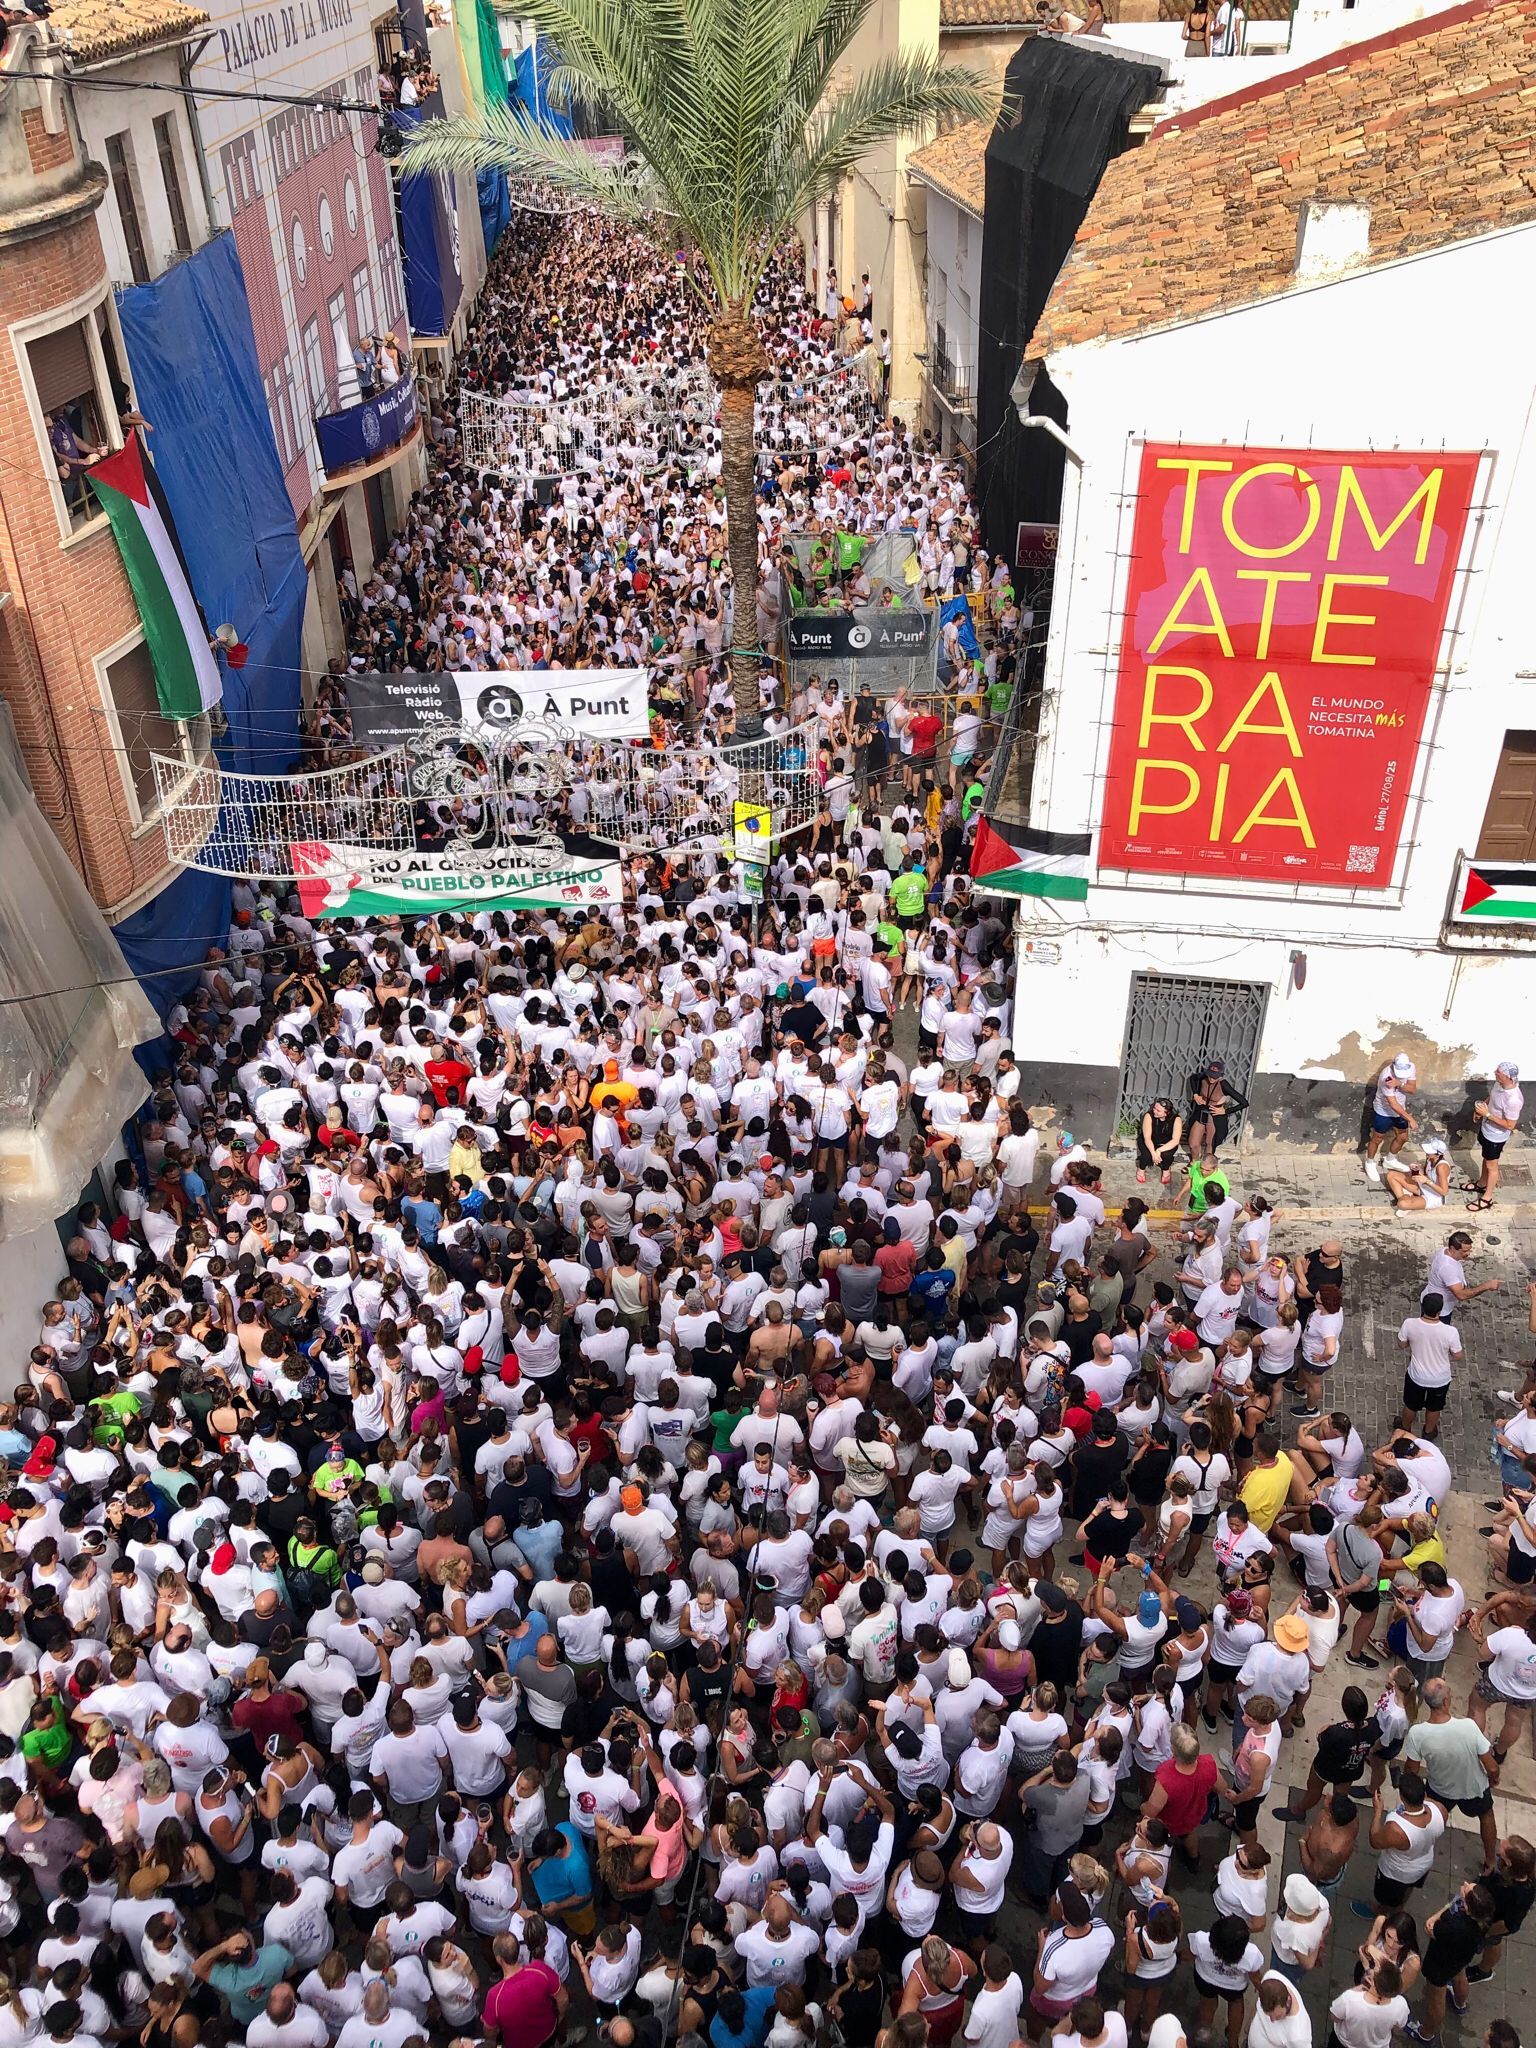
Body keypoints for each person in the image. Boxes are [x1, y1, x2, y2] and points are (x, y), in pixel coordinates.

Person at [1467, 1061, 1524, 1209]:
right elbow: (1491, 1098)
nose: (1494, 1072)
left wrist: (1487, 1114)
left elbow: (1510, 1125)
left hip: (1496, 1136)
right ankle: (1481, 1183)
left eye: (1498, 1071)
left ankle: (1488, 1197)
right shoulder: (1499, 1084)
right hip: (1487, 1129)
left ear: (1507, 1077)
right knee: (1486, 1159)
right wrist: (1481, 1110)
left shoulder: (1513, 1100)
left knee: (1492, 1165)